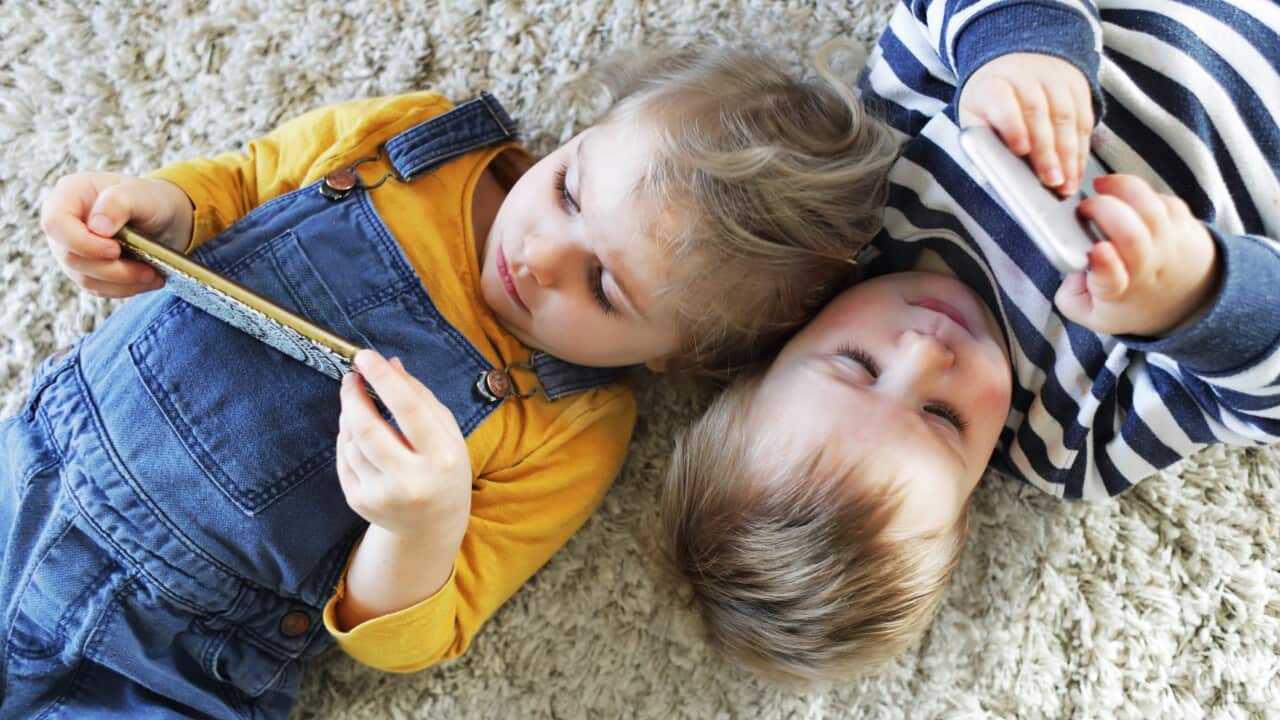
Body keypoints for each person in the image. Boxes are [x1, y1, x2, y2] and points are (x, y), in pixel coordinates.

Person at [0, 45, 900, 717]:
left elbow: (425, 630)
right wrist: (161, 209)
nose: (542, 257)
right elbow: (243, 186)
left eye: (604, 287)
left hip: (173, 645)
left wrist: (419, 521)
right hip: (34, 460)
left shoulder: (575, 426)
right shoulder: (412, 142)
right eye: (571, 193)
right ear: (586, 134)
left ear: (673, 357)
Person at [661, 0, 1280, 682]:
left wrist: (1017, 47)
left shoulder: (867, 194)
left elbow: (930, 19)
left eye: (857, 363)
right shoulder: (1067, 440)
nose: (926, 350)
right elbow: (1264, 397)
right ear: (963, 509)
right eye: (942, 417)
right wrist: (1191, 296)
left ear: (779, 348)